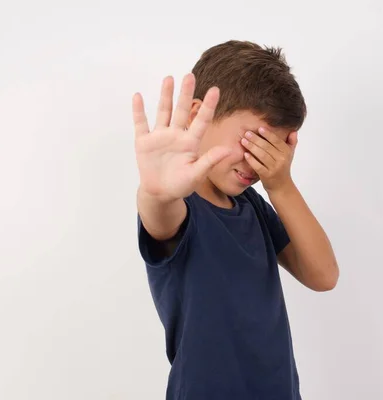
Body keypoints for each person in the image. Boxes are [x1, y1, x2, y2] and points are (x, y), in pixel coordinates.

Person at [133, 40, 339, 400]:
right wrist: (156, 191)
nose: (258, 163)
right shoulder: (180, 207)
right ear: (199, 115)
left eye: (273, 150)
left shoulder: (252, 206)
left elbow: (323, 276)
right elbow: (160, 216)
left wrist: (282, 184)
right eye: (252, 142)